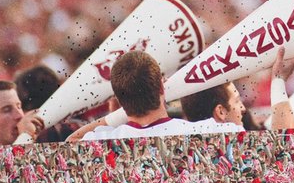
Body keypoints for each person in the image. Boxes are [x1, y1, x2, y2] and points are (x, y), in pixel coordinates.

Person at [80, 51, 243, 141]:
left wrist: (117, 115)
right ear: (161, 87)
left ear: (118, 98)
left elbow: (72, 140)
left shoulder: (100, 140)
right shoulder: (209, 131)